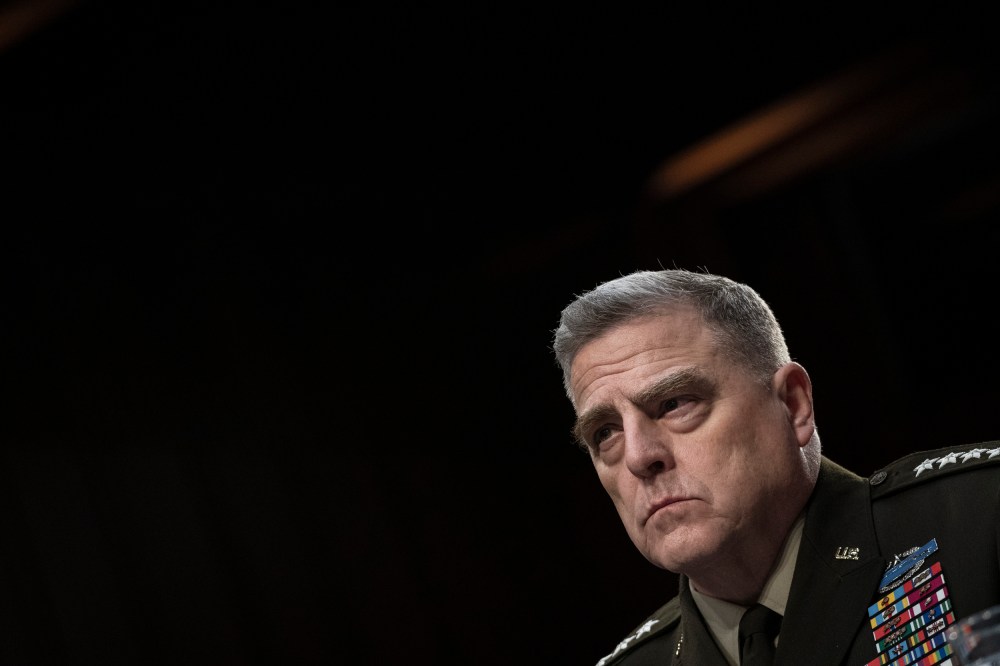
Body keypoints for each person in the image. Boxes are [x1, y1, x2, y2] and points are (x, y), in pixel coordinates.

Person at [551, 268, 1000, 666]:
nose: (638, 456)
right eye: (605, 433)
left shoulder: (981, 519)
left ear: (793, 404)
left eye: (674, 404)